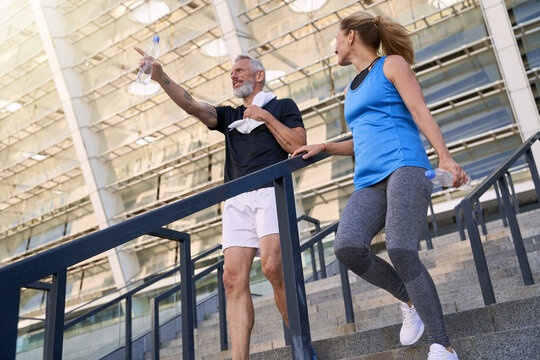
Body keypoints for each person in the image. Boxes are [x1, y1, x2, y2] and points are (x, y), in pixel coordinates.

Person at [292, 11, 467, 360]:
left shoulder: (392, 65)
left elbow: (419, 111)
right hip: (369, 180)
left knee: (401, 249)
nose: (334, 46)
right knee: (347, 246)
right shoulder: (350, 88)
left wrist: (444, 157)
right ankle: (409, 299)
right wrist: (325, 147)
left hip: (405, 166)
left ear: (352, 36)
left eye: (336, 38)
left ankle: (442, 344)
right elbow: (361, 138)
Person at [134, 49, 307, 359]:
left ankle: (300, 346)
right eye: (231, 72)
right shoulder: (229, 115)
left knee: (272, 266)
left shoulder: (283, 106)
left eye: (240, 70)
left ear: (259, 76)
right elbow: (191, 105)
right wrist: (160, 77)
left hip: (271, 191)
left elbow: (298, 146)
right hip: (236, 198)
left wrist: (265, 117)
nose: (233, 75)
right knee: (231, 279)